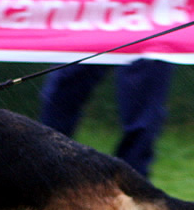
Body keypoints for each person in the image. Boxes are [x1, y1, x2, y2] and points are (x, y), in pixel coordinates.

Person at [39, 59, 175, 177]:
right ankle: (46, 176)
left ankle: (132, 189)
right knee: (59, 97)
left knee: (143, 117)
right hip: (88, 33)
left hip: (146, 35)